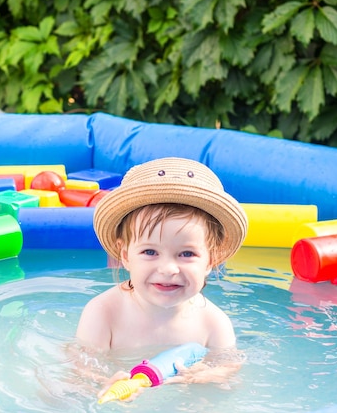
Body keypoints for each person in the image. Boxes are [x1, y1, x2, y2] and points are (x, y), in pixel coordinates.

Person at [75, 157, 248, 397]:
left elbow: (230, 366)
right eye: (150, 252)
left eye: (186, 253)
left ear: (210, 261)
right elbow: (80, 369)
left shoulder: (213, 323)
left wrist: (209, 376)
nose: (168, 269)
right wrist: (102, 382)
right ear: (125, 256)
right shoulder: (103, 312)